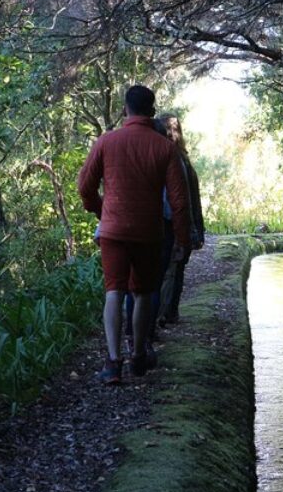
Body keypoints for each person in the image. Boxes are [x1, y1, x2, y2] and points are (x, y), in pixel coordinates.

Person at [78, 85, 190, 384]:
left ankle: (113, 363)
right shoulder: (165, 148)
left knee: (114, 291)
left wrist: (101, 211)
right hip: (148, 233)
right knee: (142, 292)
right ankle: (138, 354)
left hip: (113, 232)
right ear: (152, 110)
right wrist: (181, 239)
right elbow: (180, 201)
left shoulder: (106, 141)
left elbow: (84, 187)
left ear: (125, 109)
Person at [156, 113, 204, 326]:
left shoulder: (172, 160)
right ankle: (169, 312)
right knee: (176, 270)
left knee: (169, 271)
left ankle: (162, 315)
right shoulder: (183, 159)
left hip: (172, 225)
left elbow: (175, 201)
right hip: (183, 224)